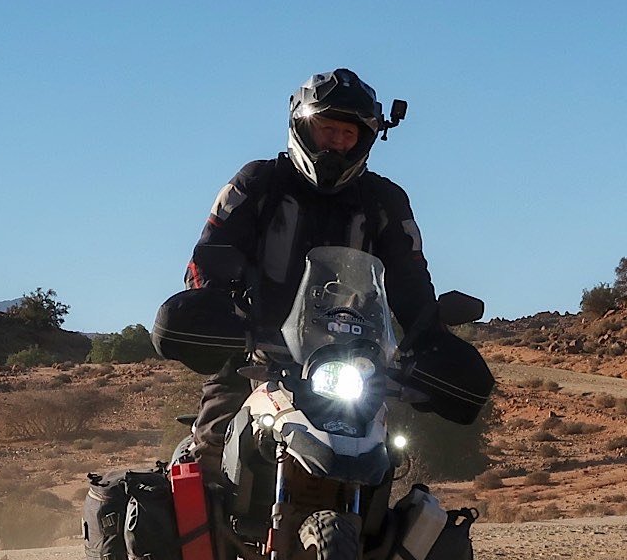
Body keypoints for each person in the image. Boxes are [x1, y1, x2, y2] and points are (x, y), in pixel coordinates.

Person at [150, 69, 492, 461]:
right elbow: (208, 258)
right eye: (327, 130)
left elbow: (409, 278)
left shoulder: (384, 201)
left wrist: (429, 333)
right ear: (301, 126)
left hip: (351, 365)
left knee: (387, 463)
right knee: (215, 446)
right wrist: (217, 313)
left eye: (348, 135)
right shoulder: (258, 183)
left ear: (365, 140)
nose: (337, 143)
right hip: (256, 355)